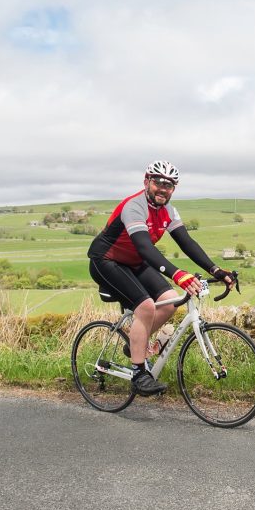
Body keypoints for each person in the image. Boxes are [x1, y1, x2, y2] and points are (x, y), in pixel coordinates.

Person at [88, 160, 235, 396]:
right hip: (107, 261)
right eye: (158, 182)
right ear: (147, 182)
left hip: (134, 262)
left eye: (169, 185)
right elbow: (146, 248)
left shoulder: (168, 210)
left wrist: (216, 270)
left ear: (173, 189)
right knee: (146, 307)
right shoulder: (134, 207)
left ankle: (135, 344)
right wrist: (178, 274)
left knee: (169, 301)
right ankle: (138, 374)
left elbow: (187, 243)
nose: (163, 188)